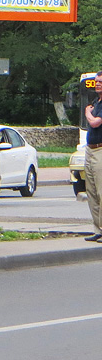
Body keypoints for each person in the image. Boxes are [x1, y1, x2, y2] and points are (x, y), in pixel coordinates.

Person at [84, 71, 102, 242]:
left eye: (101, 82)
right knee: (92, 192)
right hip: (90, 149)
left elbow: (95, 122)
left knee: (101, 191)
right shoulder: (97, 102)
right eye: (96, 82)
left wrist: (87, 113)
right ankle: (97, 229)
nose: (97, 84)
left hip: (100, 150)